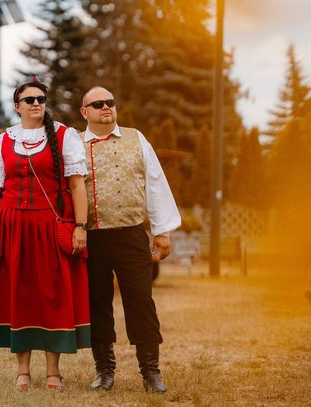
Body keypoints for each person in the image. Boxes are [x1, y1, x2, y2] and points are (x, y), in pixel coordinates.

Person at [0, 79, 90, 391]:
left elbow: (76, 185)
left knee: (52, 295)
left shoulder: (64, 135)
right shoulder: (5, 140)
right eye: (29, 100)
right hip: (13, 227)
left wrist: (80, 226)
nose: (36, 104)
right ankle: (23, 371)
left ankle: (53, 371)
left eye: (41, 99)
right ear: (17, 106)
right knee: (20, 295)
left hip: (49, 226)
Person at [79, 86, 181, 393]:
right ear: (85, 112)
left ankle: (151, 372)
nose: (106, 107)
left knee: (141, 301)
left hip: (132, 234)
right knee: (97, 303)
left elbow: (155, 182)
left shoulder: (136, 138)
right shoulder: (74, 144)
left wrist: (161, 231)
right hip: (92, 237)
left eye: (110, 102)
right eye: (98, 104)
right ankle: (104, 370)